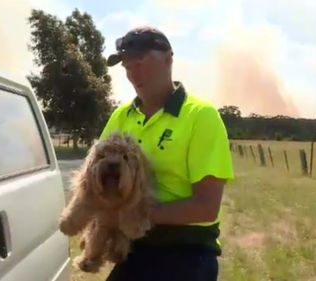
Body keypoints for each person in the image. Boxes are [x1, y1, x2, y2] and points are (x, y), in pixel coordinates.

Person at [99, 26, 235, 281]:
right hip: (134, 248)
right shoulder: (121, 116)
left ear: (169, 58)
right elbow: (94, 173)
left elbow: (207, 208)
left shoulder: (200, 116)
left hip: (186, 253)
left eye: (140, 62)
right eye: (127, 66)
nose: (133, 73)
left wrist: (137, 214)